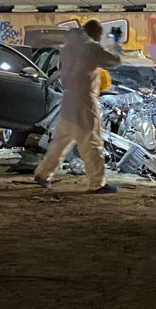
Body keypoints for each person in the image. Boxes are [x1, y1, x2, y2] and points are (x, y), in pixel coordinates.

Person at [34, 20, 122, 193]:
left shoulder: (68, 48)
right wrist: (117, 42)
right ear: (94, 32)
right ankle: (97, 183)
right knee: (92, 142)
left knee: (62, 141)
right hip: (85, 100)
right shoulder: (90, 48)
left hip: (68, 99)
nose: (99, 37)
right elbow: (114, 61)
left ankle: (43, 174)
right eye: (99, 34)